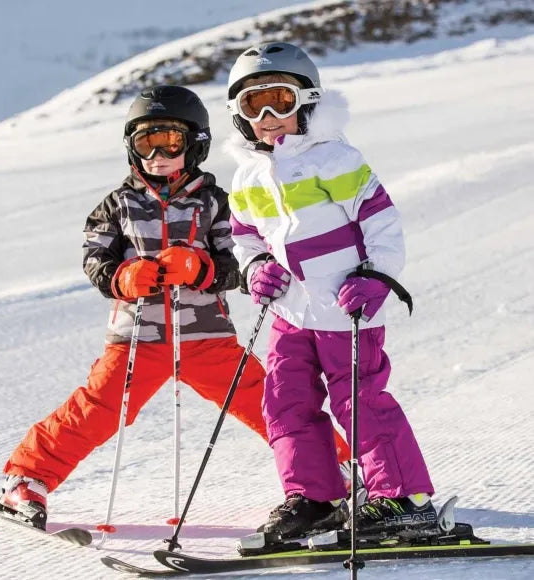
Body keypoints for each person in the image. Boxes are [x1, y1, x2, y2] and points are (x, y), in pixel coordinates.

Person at [0, 85, 352, 530]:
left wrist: (202, 269)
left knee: (270, 403)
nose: (158, 154)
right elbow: (95, 258)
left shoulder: (218, 202)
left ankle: (339, 474)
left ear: (196, 144)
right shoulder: (117, 205)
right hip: (136, 340)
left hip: (207, 339)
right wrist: (121, 277)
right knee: (96, 409)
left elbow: (240, 262)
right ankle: (27, 480)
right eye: (146, 143)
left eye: (171, 142)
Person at [225, 42, 435, 539]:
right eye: (256, 105)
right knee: (284, 402)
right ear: (240, 116)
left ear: (309, 102)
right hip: (289, 313)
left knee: (360, 402)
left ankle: (403, 498)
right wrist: (255, 267)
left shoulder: (338, 160)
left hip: (347, 310)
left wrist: (376, 277)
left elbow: (382, 224)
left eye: (282, 99)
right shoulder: (247, 175)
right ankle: (314, 497)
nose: (271, 116)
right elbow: (244, 236)